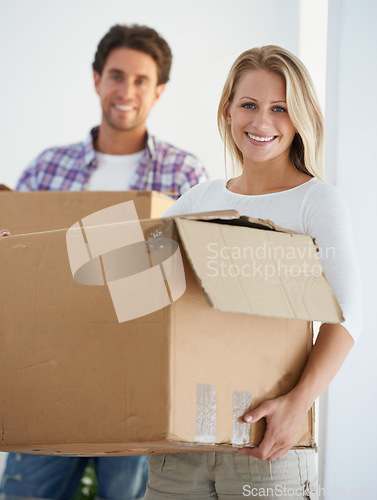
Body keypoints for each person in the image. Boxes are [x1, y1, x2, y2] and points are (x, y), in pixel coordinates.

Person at [0, 24, 208, 500]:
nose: (126, 91)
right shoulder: (47, 167)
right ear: (96, 80)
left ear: (158, 92)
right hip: (47, 371)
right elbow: (13, 261)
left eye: (140, 81)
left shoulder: (185, 174)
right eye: (117, 76)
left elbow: (199, 274)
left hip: (139, 378)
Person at [144, 46, 362, 499]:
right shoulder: (198, 199)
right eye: (249, 105)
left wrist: (297, 406)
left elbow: (347, 315)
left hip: (269, 444)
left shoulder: (316, 201)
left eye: (280, 109)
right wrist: (27, 250)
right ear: (227, 110)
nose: (261, 123)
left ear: (300, 117)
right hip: (180, 446)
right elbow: (131, 273)